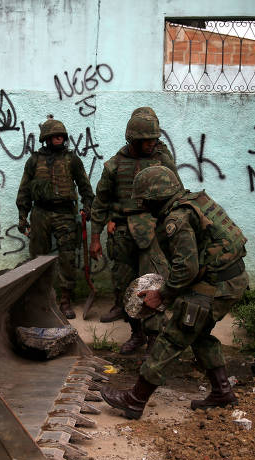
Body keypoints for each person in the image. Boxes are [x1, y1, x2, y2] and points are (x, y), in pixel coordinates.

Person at [101, 165, 248, 419]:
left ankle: (135, 400)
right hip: (228, 277)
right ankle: (223, 391)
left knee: (175, 332)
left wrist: (163, 294)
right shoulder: (191, 201)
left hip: (218, 283)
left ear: (155, 197)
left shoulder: (176, 220)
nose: (144, 205)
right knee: (199, 333)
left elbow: (187, 269)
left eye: (145, 199)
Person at [89, 109, 178, 354]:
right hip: (122, 233)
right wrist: (95, 237)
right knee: (124, 286)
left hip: (153, 233)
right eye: (148, 139)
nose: (154, 143)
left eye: (155, 139)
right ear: (134, 140)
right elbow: (100, 202)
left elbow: (175, 192)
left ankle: (153, 341)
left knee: (152, 284)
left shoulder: (161, 160)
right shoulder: (114, 165)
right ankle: (136, 334)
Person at [16, 116, 94, 319]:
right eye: (54, 136)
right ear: (46, 139)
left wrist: (88, 206)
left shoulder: (72, 160)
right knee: (38, 256)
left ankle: (65, 300)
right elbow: (24, 190)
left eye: (61, 136)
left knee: (67, 256)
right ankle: (41, 299)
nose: (59, 139)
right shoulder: (34, 161)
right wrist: (22, 216)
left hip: (65, 214)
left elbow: (85, 186)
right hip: (40, 213)